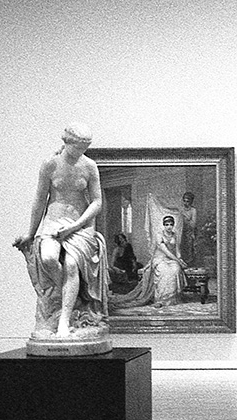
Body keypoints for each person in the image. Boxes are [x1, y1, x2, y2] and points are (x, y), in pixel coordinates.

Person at [13, 123, 108, 338]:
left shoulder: (90, 166)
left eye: (86, 148)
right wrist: (30, 232)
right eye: (79, 147)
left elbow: (96, 202)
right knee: (48, 259)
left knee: (72, 264)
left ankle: (64, 319)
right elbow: (39, 201)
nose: (82, 152)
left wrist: (75, 226)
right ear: (67, 142)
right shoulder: (50, 164)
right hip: (53, 221)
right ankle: (74, 297)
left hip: (80, 224)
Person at [111, 214, 187, 308]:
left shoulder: (175, 235)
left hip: (172, 260)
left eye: (171, 224)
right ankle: (161, 299)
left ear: (173, 225)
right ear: (164, 225)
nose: (169, 227)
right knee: (165, 272)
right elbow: (165, 251)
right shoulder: (159, 235)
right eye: (167, 224)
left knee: (176, 270)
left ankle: (172, 299)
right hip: (159, 259)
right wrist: (178, 260)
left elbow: (177, 250)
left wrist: (180, 259)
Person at [180, 192, 197, 265]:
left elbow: (193, 223)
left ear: (191, 202)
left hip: (190, 232)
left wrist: (186, 217)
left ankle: (190, 264)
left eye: (187, 201)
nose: (185, 203)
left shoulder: (193, 210)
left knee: (190, 249)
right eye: (184, 201)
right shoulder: (181, 209)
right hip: (181, 232)